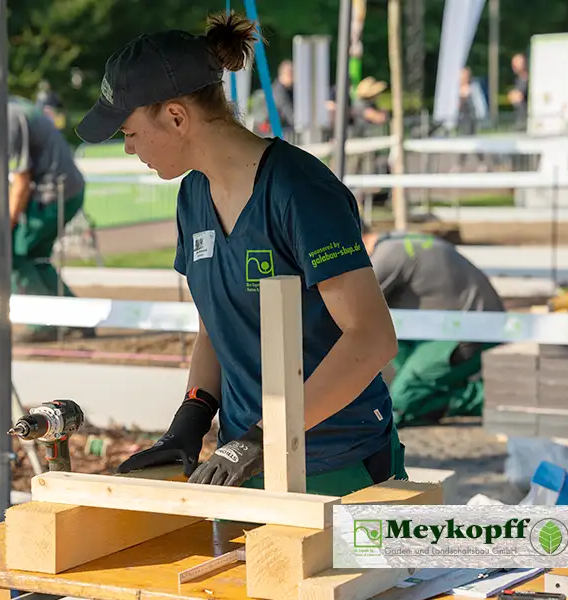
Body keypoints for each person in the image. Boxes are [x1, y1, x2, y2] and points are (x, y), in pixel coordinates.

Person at [74, 13, 407, 495]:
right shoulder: (192, 197)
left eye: (128, 132)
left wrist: (265, 435)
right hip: (245, 462)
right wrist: (191, 419)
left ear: (175, 116)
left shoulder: (298, 189)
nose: (128, 149)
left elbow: (372, 338)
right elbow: (215, 325)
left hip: (339, 463)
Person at [0, 71, 92, 342]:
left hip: (55, 193)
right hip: (63, 190)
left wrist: (5, 226)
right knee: (36, 259)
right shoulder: (10, 109)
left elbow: (21, 179)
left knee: (13, 255)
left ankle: (44, 324)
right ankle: (78, 318)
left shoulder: (9, 118)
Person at [361, 223, 505, 427]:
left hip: (468, 334)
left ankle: (479, 398)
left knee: (401, 397)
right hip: (459, 327)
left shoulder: (386, 255)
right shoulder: (400, 241)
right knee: (387, 334)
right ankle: (433, 397)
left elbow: (351, 306)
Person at [508, 53, 529, 129]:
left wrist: (515, 95)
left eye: (515, 64)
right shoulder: (518, 80)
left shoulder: (527, 80)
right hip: (519, 117)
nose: (513, 66)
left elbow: (519, 96)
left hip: (526, 118)